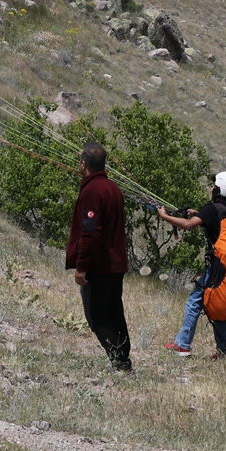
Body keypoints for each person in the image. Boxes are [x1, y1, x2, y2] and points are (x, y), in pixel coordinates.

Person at [157, 171, 226, 360]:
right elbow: (216, 225)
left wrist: (164, 217)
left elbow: (188, 225)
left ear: (219, 190)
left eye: (214, 186)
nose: (211, 188)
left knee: (195, 300)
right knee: (219, 305)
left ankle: (182, 345)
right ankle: (224, 351)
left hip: (216, 267)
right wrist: (199, 214)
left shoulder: (212, 208)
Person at [66, 142, 132, 372]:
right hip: (116, 263)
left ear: (83, 164)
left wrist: (81, 266)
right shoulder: (113, 188)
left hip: (100, 265)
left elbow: (90, 231)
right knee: (114, 312)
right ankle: (124, 357)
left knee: (97, 317)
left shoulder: (92, 192)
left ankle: (120, 362)